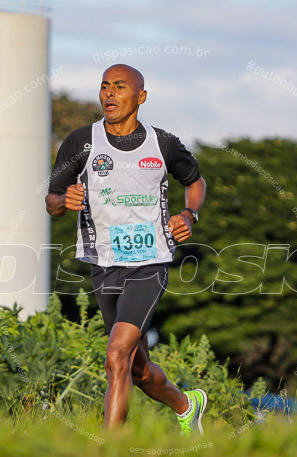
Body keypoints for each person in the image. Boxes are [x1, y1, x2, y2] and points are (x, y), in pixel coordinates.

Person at [45, 64, 208, 432]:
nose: (109, 94)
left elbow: (195, 182)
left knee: (116, 356)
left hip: (150, 263)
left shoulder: (163, 143)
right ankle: (187, 404)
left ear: (141, 96)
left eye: (119, 87)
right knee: (136, 368)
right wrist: (64, 200)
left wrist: (189, 214)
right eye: (104, 86)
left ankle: (109, 453)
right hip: (103, 264)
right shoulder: (80, 142)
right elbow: (52, 201)